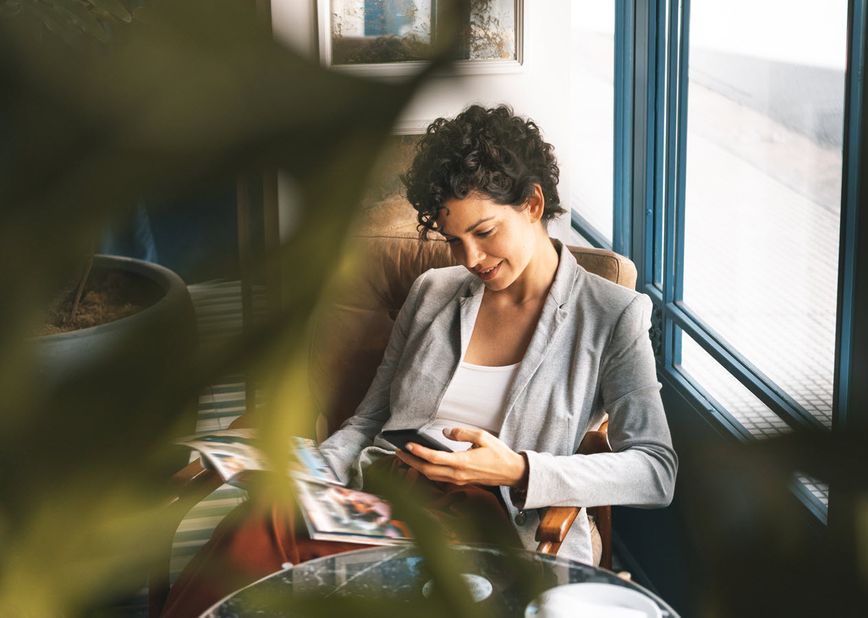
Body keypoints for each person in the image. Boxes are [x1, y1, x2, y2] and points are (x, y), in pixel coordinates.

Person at [161, 104, 676, 617]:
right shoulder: (434, 291)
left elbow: (655, 470)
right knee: (266, 515)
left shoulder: (611, 314)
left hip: (492, 524)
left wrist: (518, 469)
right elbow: (369, 418)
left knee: (271, 533)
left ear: (534, 203)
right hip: (391, 496)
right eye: (455, 240)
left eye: (485, 231)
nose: (470, 259)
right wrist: (312, 471)